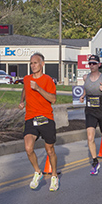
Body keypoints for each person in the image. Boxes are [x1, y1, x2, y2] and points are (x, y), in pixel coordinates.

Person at [20, 53, 60, 191]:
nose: (33, 65)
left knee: (50, 150)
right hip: (31, 117)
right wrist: (22, 101)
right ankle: (38, 172)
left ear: (42, 64)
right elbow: (25, 89)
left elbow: (53, 99)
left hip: (46, 118)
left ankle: (54, 175)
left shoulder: (48, 80)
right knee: (28, 148)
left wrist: (38, 88)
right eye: (31, 63)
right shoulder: (27, 79)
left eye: (35, 63)